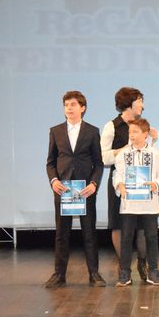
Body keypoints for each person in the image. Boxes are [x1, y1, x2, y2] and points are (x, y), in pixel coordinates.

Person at [44, 90, 105, 287]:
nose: (69, 108)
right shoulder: (56, 131)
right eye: (66, 105)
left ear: (82, 108)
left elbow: (98, 163)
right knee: (62, 233)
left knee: (89, 232)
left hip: (85, 190)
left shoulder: (92, 131)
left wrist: (93, 184)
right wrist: (54, 180)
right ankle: (59, 274)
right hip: (63, 190)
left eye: (73, 104)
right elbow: (50, 162)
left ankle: (94, 274)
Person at [100, 87, 157, 282]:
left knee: (141, 225)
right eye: (140, 101)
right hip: (121, 182)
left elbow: (149, 156)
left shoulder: (142, 125)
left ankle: (143, 263)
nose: (142, 105)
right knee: (118, 225)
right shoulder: (111, 126)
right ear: (130, 103)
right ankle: (123, 266)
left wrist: (152, 141)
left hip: (141, 182)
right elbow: (103, 157)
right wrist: (124, 149)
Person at [112, 118, 159, 286]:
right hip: (129, 204)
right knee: (126, 238)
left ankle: (153, 271)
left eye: (135, 132)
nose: (131, 135)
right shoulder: (123, 154)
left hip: (149, 205)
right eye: (130, 132)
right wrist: (119, 185)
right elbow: (117, 174)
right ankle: (125, 273)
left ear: (145, 134)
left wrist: (156, 185)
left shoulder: (155, 154)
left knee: (151, 237)